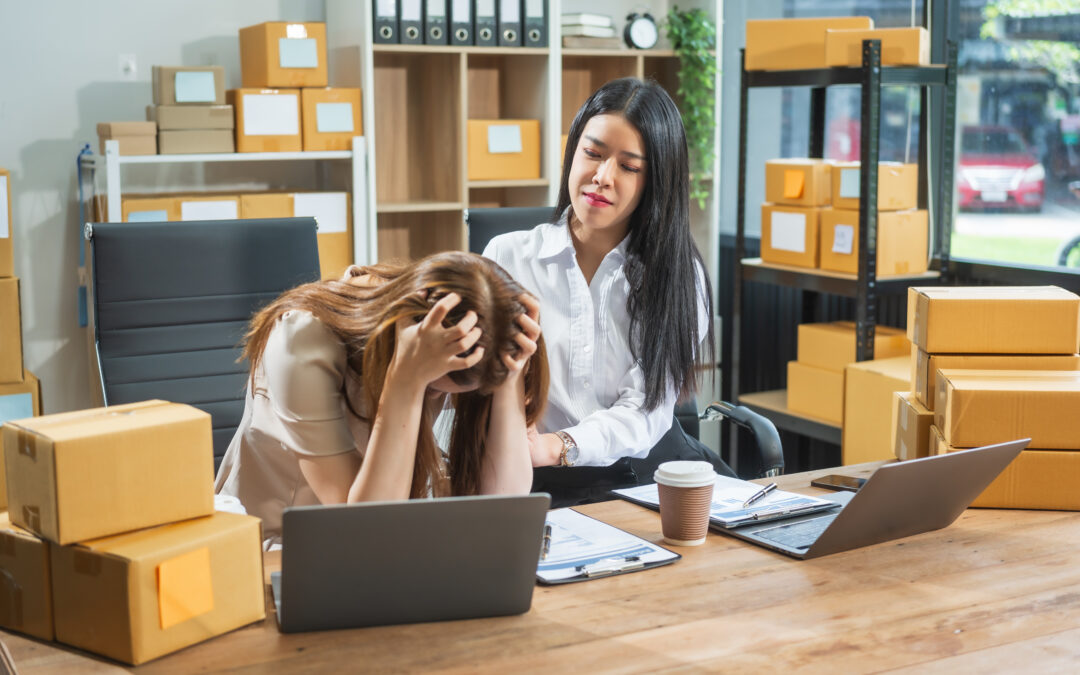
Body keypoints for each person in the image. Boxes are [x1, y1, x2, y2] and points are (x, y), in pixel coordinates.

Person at [483, 77, 733, 507]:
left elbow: (647, 410)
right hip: (540, 482)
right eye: (593, 154)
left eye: (629, 167)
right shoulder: (508, 258)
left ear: (656, 182)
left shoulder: (678, 276)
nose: (602, 177)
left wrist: (555, 445)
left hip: (655, 475)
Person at [215, 251, 548, 546]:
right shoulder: (300, 339)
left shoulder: (470, 333)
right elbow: (364, 528)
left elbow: (502, 503)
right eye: (435, 387)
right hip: (281, 548)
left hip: (391, 540)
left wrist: (509, 374)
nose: (435, 400)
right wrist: (407, 379)